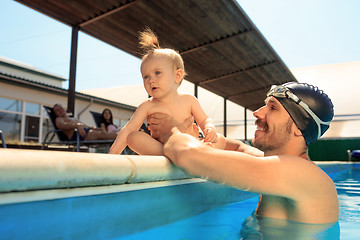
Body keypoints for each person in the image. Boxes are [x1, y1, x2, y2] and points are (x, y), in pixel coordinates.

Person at [147, 82, 339, 225]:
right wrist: (203, 137)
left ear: (299, 127)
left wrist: (171, 131)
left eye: (273, 108)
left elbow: (187, 156)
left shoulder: (301, 174)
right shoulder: (275, 165)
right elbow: (239, 148)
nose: (257, 112)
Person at [109, 28, 225, 155]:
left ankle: (192, 152)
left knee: (220, 139)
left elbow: (204, 119)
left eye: (157, 73)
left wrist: (209, 128)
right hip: (162, 148)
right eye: (146, 76)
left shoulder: (188, 100)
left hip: (190, 145)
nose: (151, 80)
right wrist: (113, 153)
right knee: (133, 137)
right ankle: (170, 154)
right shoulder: (147, 106)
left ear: (178, 75)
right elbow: (128, 129)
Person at [52, 104, 117, 141]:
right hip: (78, 135)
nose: (60, 110)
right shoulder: (59, 119)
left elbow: (86, 127)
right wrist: (77, 126)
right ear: (55, 113)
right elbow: (62, 125)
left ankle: (121, 135)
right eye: (57, 110)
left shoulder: (71, 118)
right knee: (103, 135)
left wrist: (96, 128)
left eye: (61, 108)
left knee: (103, 133)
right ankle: (123, 136)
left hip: (85, 131)